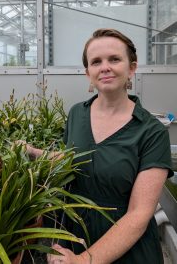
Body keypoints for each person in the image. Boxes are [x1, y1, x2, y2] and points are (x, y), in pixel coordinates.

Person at [19, 28, 173, 263]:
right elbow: (72, 159)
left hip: (124, 245)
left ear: (132, 68)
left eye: (114, 59)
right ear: (88, 72)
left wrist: (83, 260)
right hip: (74, 233)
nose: (105, 67)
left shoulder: (151, 132)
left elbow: (139, 214)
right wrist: (31, 152)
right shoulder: (77, 114)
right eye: (96, 61)